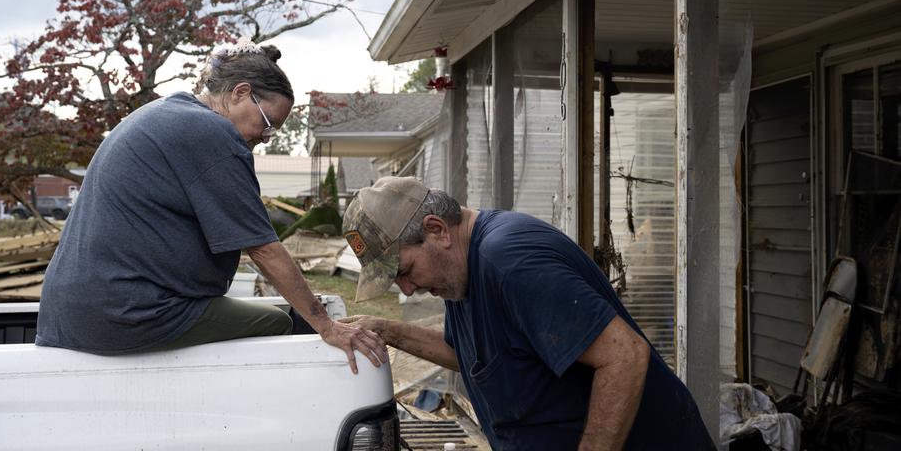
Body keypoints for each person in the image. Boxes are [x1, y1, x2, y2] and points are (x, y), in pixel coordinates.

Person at [36, 40, 387, 374]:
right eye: (267, 126)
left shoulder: (167, 113)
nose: (264, 140)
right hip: (126, 312)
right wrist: (325, 325)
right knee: (278, 323)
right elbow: (264, 248)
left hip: (80, 311)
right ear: (240, 94)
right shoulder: (212, 133)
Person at [340, 177, 714, 450]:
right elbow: (471, 356)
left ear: (437, 230)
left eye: (405, 271)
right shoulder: (458, 273)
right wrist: (386, 331)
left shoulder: (510, 263)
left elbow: (624, 355)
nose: (407, 289)